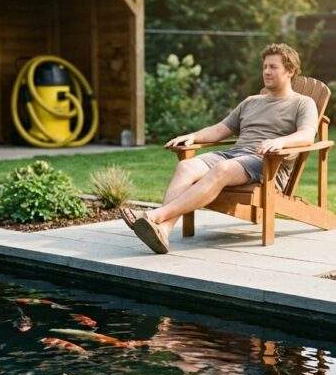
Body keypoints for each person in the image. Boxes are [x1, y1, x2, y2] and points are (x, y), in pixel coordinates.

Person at [121, 43, 318, 254]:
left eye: (273, 67)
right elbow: (221, 129)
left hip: (267, 163)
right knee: (186, 167)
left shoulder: (303, 103)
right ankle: (164, 230)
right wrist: (193, 136)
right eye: (264, 67)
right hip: (235, 156)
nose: (267, 72)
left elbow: (307, 134)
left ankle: (155, 216)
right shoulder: (251, 101)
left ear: (290, 71)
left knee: (222, 170)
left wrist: (280, 142)